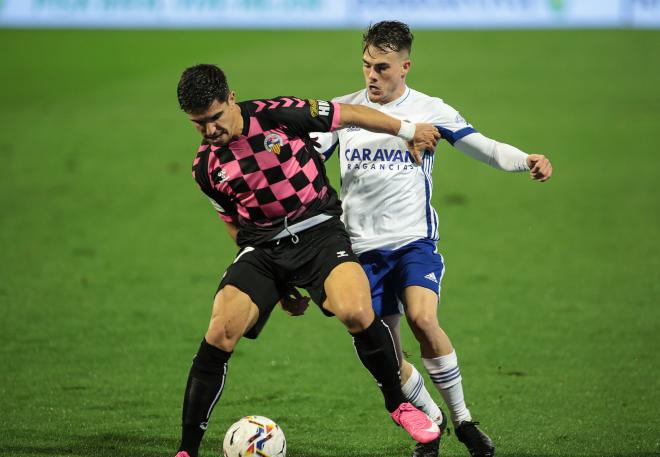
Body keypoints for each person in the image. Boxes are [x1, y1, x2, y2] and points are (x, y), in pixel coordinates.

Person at [173, 63, 446, 457]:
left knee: (354, 309)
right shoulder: (206, 168)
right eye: (199, 124)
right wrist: (280, 288)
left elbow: (349, 114)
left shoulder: (278, 113)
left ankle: (398, 403)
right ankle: (187, 450)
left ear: (230, 98)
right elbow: (234, 225)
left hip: (320, 234)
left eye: (215, 118)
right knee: (220, 330)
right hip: (266, 250)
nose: (210, 130)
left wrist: (406, 129)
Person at [311, 21, 553, 457]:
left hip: (413, 242)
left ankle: (463, 422)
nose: (371, 76)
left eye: (382, 67)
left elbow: (486, 148)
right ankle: (430, 426)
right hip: (360, 251)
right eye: (366, 65)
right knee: (388, 354)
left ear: (405, 66)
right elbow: (300, 160)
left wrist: (526, 160)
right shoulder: (342, 112)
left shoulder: (430, 110)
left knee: (424, 320)